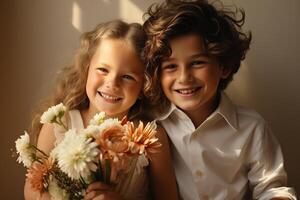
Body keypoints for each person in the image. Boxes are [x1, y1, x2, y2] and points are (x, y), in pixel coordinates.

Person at [143, 0, 297, 199]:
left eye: (197, 63)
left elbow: (271, 187)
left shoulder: (251, 127)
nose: (184, 78)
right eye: (171, 66)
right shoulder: (151, 125)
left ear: (223, 66)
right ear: (157, 73)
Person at [24, 20, 179, 200]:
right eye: (103, 70)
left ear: (144, 87)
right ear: (86, 70)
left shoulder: (150, 137)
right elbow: (33, 187)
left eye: (127, 77)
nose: (112, 83)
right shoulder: (58, 126)